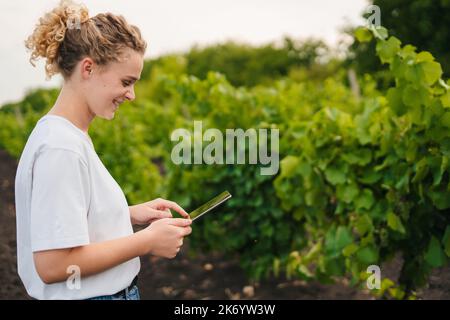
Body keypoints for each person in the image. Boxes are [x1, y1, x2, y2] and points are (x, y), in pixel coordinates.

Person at [15, 0, 192, 300]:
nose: (132, 95)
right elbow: (55, 264)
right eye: (126, 82)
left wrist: (127, 215)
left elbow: (69, 223)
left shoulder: (68, 137)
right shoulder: (61, 148)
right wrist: (145, 242)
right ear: (88, 68)